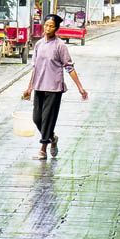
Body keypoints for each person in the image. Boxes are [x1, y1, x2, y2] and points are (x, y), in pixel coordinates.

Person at [21, 14, 89, 160]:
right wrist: (29, 88)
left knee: (47, 119)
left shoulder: (60, 46)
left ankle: (43, 149)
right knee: (36, 118)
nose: (47, 28)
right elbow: (35, 68)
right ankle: (53, 138)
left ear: (56, 28)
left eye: (51, 26)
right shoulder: (38, 45)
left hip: (54, 88)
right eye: (46, 25)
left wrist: (80, 87)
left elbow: (69, 67)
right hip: (39, 86)